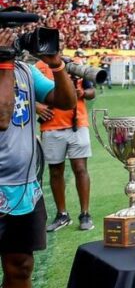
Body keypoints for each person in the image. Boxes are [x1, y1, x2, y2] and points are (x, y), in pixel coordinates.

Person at [0, 22, 77, 288]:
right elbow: (1, 116)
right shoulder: (6, 71)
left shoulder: (26, 71)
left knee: (20, 266)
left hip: (24, 187)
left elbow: (65, 103)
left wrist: (57, 65)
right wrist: (1, 65)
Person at [35, 53, 96, 231]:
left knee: (80, 168)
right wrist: (37, 107)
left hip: (77, 123)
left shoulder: (75, 64)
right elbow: (28, 93)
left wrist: (83, 92)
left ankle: (85, 213)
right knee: (55, 171)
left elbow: (92, 91)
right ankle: (62, 214)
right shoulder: (38, 67)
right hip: (51, 125)